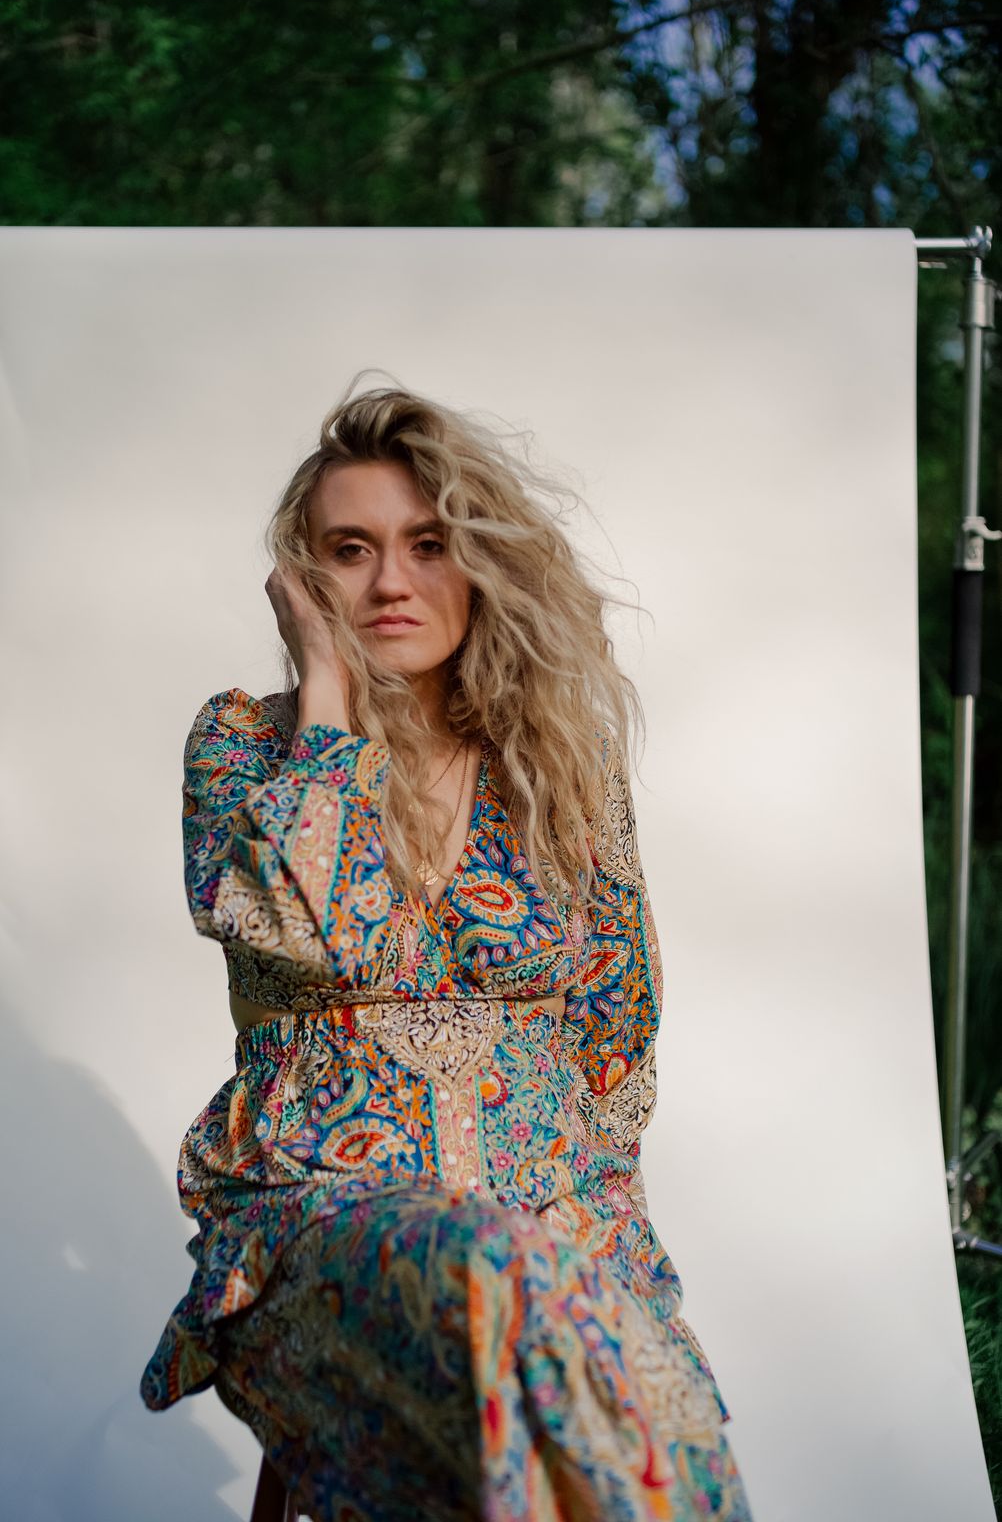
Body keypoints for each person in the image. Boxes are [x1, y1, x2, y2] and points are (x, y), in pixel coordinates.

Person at [140, 374, 753, 1521]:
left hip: (558, 1229)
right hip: (322, 1226)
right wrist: (325, 689)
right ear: (304, 577)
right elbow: (311, 932)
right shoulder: (245, 747)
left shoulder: (560, 770)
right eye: (351, 549)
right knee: (492, 1279)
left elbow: (615, 1033)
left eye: (427, 543)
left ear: (477, 561)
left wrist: (610, 1246)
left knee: (657, 1416)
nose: (390, 581)